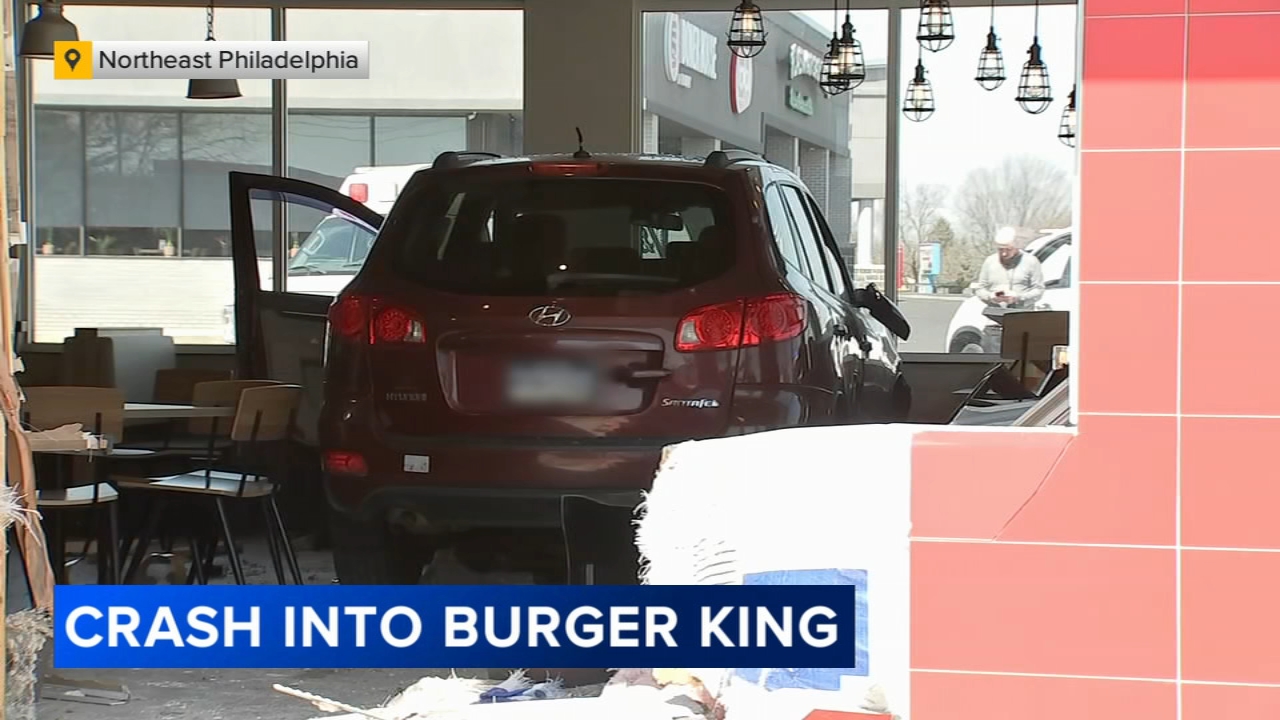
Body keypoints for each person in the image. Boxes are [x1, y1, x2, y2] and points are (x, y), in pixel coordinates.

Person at [974, 227, 1044, 309]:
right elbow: (980, 289)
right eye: (1000, 250)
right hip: (995, 313)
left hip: (1022, 314)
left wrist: (1018, 298)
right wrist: (990, 297)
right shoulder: (990, 261)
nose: (1004, 254)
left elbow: (1038, 290)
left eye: (1008, 249)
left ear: (1017, 246)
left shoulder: (1031, 261)